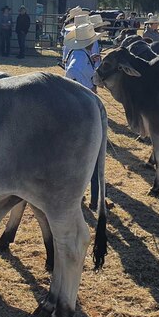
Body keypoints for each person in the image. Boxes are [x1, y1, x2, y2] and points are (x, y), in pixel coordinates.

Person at [62, 21, 106, 209]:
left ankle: (91, 199)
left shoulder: (81, 55)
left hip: (81, 109)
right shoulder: (78, 60)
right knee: (90, 159)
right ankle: (90, 199)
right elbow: (72, 73)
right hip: (82, 112)